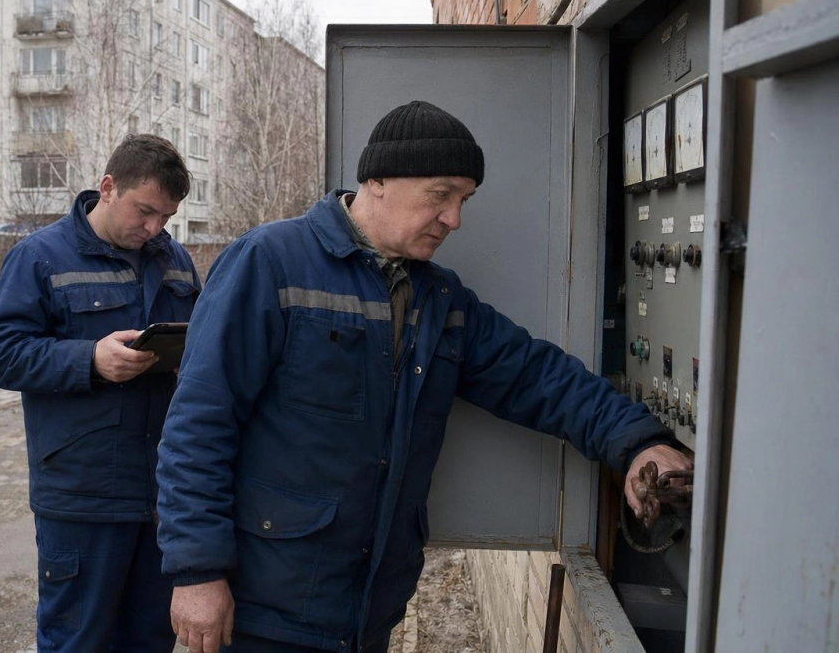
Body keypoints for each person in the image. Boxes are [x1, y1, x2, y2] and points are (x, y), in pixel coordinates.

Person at [154, 101, 693, 653]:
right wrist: (197, 572)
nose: (454, 218)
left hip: (368, 608)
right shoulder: (269, 262)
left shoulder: (438, 298)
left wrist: (638, 443)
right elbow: (199, 425)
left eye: (464, 201)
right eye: (441, 195)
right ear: (377, 180)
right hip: (266, 608)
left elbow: (537, 377)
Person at [0, 134, 199, 653]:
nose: (153, 228)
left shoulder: (175, 261)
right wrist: (89, 360)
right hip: (82, 495)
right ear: (107, 187)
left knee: (149, 639)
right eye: (145, 211)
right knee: (77, 640)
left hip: (161, 493)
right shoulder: (40, 257)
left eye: (165, 218)